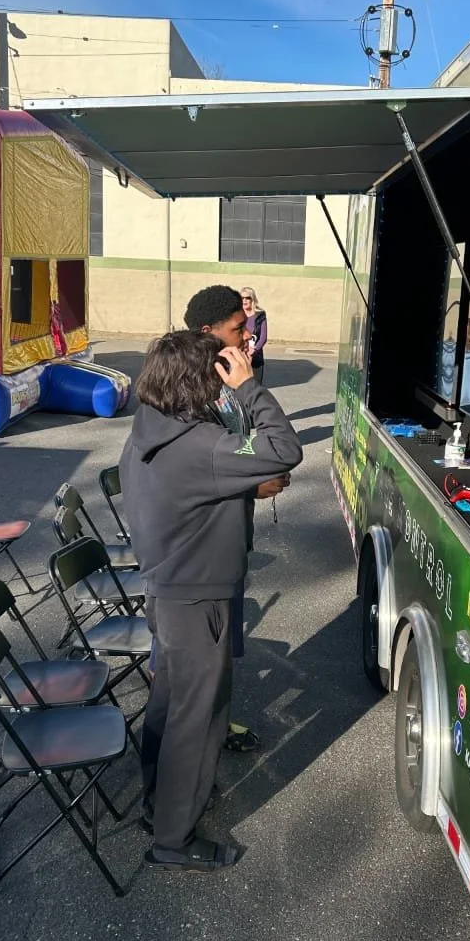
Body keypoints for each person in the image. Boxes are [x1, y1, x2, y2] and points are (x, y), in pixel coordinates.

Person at [120, 332, 303, 871]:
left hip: (168, 590)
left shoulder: (150, 428)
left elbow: (186, 492)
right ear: (198, 382)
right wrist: (248, 388)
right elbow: (284, 449)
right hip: (200, 599)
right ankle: (174, 839)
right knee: (198, 721)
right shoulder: (202, 445)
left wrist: (241, 486)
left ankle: (160, 803)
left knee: (170, 705)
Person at [183, 286, 289, 752]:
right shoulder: (189, 390)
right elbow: (190, 472)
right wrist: (251, 486)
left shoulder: (222, 378)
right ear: (208, 333)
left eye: (246, 326)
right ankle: (191, 744)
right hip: (201, 553)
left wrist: (256, 474)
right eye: (237, 327)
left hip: (230, 539)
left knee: (225, 645)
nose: (248, 335)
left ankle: (217, 724)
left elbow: (238, 448)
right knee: (197, 655)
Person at [240, 286, 268, 383]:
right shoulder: (237, 315)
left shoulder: (260, 316)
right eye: (242, 298)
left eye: (247, 298)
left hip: (256, 357)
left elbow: (263, 338)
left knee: (256, 386)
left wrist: (254, 350)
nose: (244, 300)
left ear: (252, 299)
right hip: (241, 357)